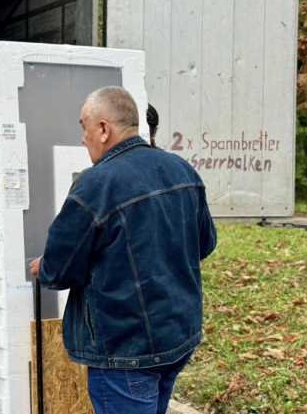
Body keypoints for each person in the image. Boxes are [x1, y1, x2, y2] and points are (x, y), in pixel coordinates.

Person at [30, 86, 217, 414]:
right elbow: (205, 244)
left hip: (125, 351)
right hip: (178, 340)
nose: (82, 138)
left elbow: (58, 271)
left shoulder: (95, 185)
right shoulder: (182, 170)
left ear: (103, 129)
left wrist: (44, 266)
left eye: (83, 127)